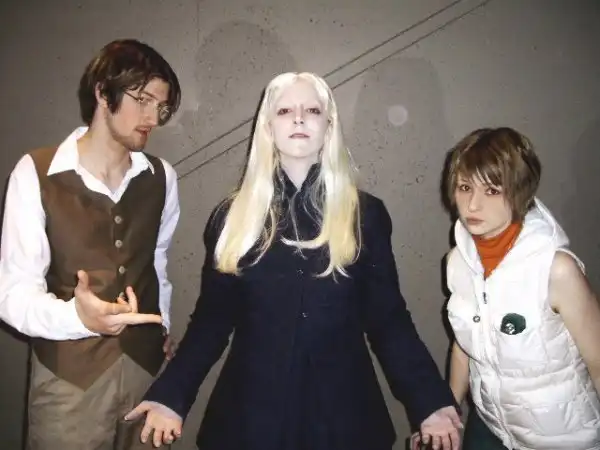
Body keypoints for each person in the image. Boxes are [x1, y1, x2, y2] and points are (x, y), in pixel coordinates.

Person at [126, 72, 461, 450]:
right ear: (268, 127)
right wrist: (171, 395)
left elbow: (389, 320)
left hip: (344, 419)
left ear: (329, 126)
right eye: (285, 111)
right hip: (251, 418)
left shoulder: (365, 215)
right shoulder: (232, 218)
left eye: (312, 111)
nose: (299, 118)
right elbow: (211, 322)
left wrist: (429, 402)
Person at [0, 39, 182, 449]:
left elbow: (157, 260)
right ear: (103, 92)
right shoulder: (35, 172)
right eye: (143, 100)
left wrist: (163, 323)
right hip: (69, 384)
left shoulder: (163, 177)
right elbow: (12, 294)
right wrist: (78, 319)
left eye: (161, 106)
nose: (152, 117)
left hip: (145, 374)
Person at [444, 127, 600, 449]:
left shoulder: (557, 270)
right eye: (465, 187)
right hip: (491, 425)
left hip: (561, 437)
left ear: (519, 192)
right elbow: (464, 344)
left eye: (492, 190)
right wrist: (449, 414)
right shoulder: (457, 262)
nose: (472, 205)